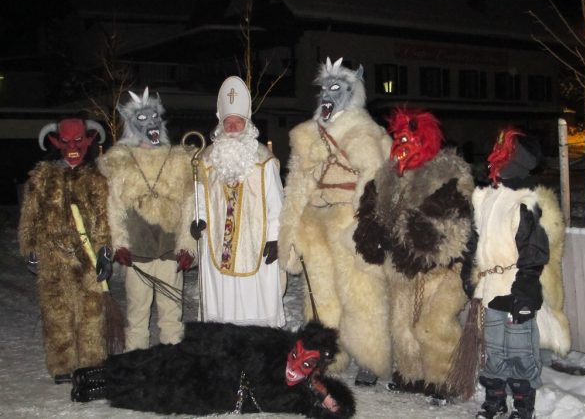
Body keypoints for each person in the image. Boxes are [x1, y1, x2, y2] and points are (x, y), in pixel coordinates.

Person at [278, 57, 392, 385]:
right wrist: (290, 230)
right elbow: (297, 184)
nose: (328, 94)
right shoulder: (309, 135)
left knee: (360, 291)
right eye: (325, 88)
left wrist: (365, 224)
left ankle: (370, 357)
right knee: (321, 293)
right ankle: (328, 354)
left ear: (351, 92)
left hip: (347, 219)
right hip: (315, 221)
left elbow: (372, 179)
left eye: (336, 88)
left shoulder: (363, 131)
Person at [353, 109, 474, 403]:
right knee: (402, 324)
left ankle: (443, 379)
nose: (401, 145)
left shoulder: (447, 173)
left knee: (433, 325)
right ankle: (411, 375)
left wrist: (417, 233)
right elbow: (372, 216)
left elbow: (453, 222)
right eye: (399, 139)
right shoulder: (386, 178)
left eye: (408, 139)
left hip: (440, 269)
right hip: (401, 268)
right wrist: (371, 233)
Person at [469, 127, 570, 419]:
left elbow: (534, 248)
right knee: (493, 350)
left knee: (520, 351)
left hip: (514, 287)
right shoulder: (486, 196)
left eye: (504, 152)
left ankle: (524, 407)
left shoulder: (525, 200)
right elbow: (477, 240)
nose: (494, 157)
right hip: (490, 287)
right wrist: (471, 275)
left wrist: (524, 290)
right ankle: (495, 400)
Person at [70, 320, 356, 418]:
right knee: (156, 362)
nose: (295, 366)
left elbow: (338, 409)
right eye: (296, 355)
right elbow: (232, 336)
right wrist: (196, 337)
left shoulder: (304, 395)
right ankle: (99, 372)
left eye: (307, 363)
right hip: (210, 363)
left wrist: (322, 392)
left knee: (158, 396)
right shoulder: (274, 342)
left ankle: (100, 390)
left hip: (212, 396)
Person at [97, 87, 196, 351]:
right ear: (132, 124)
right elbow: (114, 206)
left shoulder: (177, 160)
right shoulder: (121, 161)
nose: (151, 123)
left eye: (154, 117)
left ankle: (172, 363)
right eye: (142, 119)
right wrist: (119, 244)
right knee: (137, 315)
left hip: (169, 249)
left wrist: (187, 246)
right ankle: (136, 363)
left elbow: (189, 205)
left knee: (171, 314)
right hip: (137, 251)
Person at [18, 118, 112, 383]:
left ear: (87, 142)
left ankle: (91, 363)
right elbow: (30, 216)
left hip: (87, 257)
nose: (73, 147)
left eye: (78, 141)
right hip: (53, 257)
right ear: (57, 143)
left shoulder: (95, 178)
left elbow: (104, 218)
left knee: (91, 312)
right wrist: (30, 248)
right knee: (57, 312)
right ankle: (62, 365)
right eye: (67, 141)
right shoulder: (42, 177)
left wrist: (105, 251)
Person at [190, 75, 285, 327]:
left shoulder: (264, 160)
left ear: (247, 125)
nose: (232, 127)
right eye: (228, 122)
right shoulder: (206, 160)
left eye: (238, 122)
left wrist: (276, 237)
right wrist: (198, 219)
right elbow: (199, 196)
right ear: (221, 125)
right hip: (216, 240)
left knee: (256, 298)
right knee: (221, 303)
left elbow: (276, 201)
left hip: (257, 241)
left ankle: (258, 338)